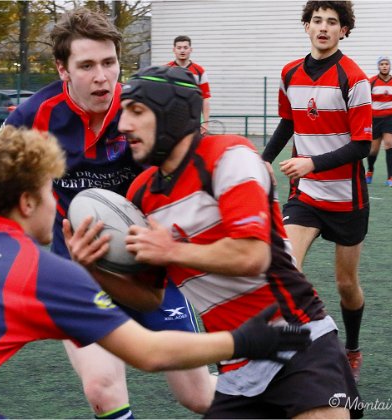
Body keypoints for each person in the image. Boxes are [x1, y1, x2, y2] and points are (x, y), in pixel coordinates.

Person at [0, 126, 311, 419]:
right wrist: (242, 343)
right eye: (52, 191)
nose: (58, 203)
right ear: (29, 200)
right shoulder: (32, 265)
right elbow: (152, 352)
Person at [0, 8, 216, 418]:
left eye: (110, 63)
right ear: (63, 69)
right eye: (87, 65)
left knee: (199, 397)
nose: (102, 76)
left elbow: (188, 178)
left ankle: (291, 398)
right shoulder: (34, 116)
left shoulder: (144, 110)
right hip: (76, 273)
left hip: (146, 268)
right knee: (102, 388)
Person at [65, 65, 362, 419]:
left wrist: (171, 249)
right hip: (236, 369)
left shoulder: (229, 155)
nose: (124, 125)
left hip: (298, 343)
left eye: (137, 112)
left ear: (172, 113)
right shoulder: (143, 193)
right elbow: (150, 297)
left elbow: (253, 254)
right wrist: (92, 269)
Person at [261, 0, 371, 383]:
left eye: (333, 22)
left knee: (346, 286)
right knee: (285, 267)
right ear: (306, 25)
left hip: (347, 200)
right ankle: (292, 351)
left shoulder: (354, 78)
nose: (324, 27)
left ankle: (352, 348)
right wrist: (264, 159)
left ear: (344, 31)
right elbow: (287, 123)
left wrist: (312, 162)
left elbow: (361, 145)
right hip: (305, 196)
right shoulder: (289, 72)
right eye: (317, 20)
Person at [366, 56, 392, 186]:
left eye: (386, 64)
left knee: (389, 144)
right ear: (378, 66)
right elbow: (365, 101)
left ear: (390, 66)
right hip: (375, 119)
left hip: (390, 119)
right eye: (382, 64)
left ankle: (390, 178)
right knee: (373, 150)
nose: (384, 66)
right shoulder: (371, 82)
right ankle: (370, 171)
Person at [166, 35, 211, 134]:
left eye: (185, 48)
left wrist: (205, 122)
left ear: (191, 49)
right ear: (174, 49)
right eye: (179, 48)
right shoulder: (165, 70)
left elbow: (206, 98)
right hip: (171, 120)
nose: (182, 51)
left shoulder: (200, 71)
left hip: (194, 121)